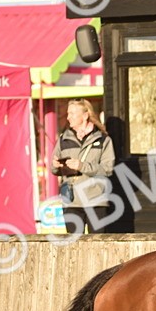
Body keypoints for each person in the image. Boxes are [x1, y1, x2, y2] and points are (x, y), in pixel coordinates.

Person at [51, 99, 115, 234]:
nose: (68, 117)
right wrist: (56, 166)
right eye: (68, 113)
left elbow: (108, 169)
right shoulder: (63, 140)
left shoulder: (103, 140)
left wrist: (82, 166)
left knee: (97, 243)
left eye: (72, 113)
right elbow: (53, 168)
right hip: (71, 201)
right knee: (74, 243)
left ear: (85, 116)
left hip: (96, 200)